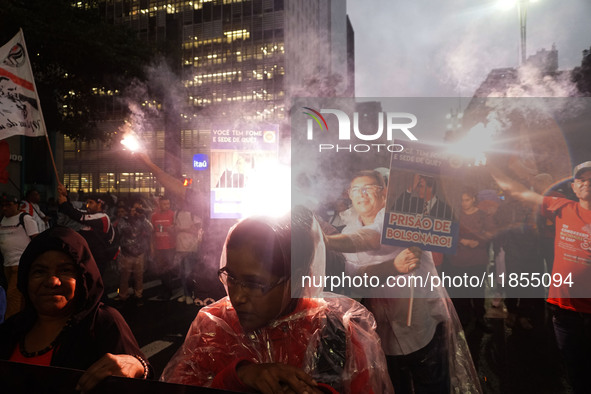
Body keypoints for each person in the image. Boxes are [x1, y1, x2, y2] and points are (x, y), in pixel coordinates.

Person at [161, 208, 394, 393]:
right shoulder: (214, 326)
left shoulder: (335, 333)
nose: (238, 297)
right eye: (231, 277)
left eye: (254, 284)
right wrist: (240, 376)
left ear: (297, 279)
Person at [324, 170, 480, 394]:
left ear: (384, 194)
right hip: (384, 333)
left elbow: (373, 237)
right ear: (349, 194)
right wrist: (392, 267)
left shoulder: (401, 219)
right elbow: (355, 277)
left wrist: (325, 241)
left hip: (423, 326)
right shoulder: (348, 231)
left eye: (369, 188)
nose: (362, 194)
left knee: (434, 387)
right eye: (356, 190)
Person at [0, 226, 151, 392]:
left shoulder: (102, 322)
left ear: (83, 278)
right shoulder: (12, 328)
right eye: (39, 272)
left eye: (65, 270)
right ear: (25, 279)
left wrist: (137, 366)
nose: (52, 281)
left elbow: (141, 380)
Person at [490, 160, 591, 394]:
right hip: (564, 311)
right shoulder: (562, 207)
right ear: (574, 188)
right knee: (574, 369)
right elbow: (519, 192)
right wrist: (490, 163)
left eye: (590, 179)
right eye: (580, 180)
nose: (585, 183)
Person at [445, 188, 493, 330]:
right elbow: (449, 232)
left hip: (478, 259)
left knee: (477, 290)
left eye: (466, 200)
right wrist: (461, 240)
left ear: (473, 199)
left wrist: (479, 242)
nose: (464, 203)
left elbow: (490, 233)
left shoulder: (483, 216)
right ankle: (464, 318)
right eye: (462, 200)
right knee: (461, 291)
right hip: (459, 260)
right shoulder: (456, 215)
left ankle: (480, 317)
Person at [56, 184, 117, 274]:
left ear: (99, 204)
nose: (87, 205)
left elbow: (78, 216)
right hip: (89, 257)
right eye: (87, 203)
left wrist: (64, 204)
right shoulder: (92, 215)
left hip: (98, 259)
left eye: (91, 203)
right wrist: (65, 196)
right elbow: (74, 210)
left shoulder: (103, 217)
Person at [0, 194, 39, 319]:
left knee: (13, 297)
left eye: (8, 205)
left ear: (16, 205)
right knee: (16, 296)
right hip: (7, 264)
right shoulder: (2, 220)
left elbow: (36, 241)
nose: (5, 208)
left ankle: (10, 326)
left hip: (20, 264)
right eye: (2, 206)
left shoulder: (25, 219)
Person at [115, 201, 153, 306]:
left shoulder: (142, 219)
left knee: (139, 276)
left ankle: (138, 295)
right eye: (135, 209)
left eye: (139, 209)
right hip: (126, 252)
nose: (136, 211)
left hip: (139, 252)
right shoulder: (124, 220)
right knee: (124, 276)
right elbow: (121, 229)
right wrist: (131, 218)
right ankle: (123, 295)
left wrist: (142, 218)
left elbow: (150, 229)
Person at [174, 201, 203, 305]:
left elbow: (197, 230)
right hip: (180, 247)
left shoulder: (193, 214)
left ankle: (190, 294)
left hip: (190, 248)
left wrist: (181, 229)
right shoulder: (176, 213)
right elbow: (175, 228)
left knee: (188, 273)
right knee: (182, 273)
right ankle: (186, 294)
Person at [151, 195, 176, 301]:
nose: (167, 206)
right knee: (162, 270)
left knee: (167, 270)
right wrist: (152, 248)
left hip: (170, 247)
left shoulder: (173, 214)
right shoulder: (154, 216)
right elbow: (152, 233)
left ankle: (168, 291)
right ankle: (165, 290)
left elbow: (175, 230)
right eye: (164, 204)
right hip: (159, 247)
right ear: (159, 204)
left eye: (168, 204)